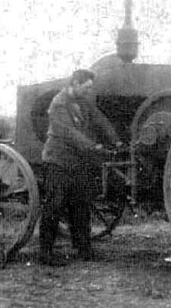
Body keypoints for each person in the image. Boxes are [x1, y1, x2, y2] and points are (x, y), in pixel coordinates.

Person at [39, 69, 122, 266]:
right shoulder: (58, 103)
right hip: (58, 160)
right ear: (75, 83)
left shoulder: (83, 102)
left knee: (82, 203)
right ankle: (45, 253)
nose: (89, 91)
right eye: (86, 87)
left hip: (77, 161)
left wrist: (116, 141)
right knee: (55, 204)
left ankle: (84, 248)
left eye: (90, 88)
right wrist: (93, 147)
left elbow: (100, 119)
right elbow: (69, 133)